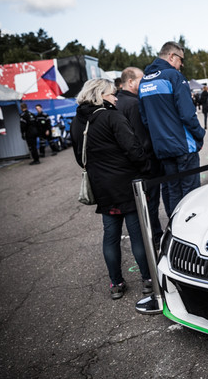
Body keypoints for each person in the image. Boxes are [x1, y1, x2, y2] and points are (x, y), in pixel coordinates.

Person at [70, 78, 152, 300]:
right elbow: (133, 149)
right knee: (137, 236)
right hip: (126, 185)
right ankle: (148, 280)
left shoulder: (77, 122)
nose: (116, 97)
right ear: (100, 95)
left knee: (111, 236)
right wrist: (146, 168)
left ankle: (116, 283)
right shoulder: (112, 116)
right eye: (111, 93)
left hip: (102, 188)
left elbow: (80, 158)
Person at [139, 41, 205, 216]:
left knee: (173, 191)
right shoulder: (173, 76)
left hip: (162, 148)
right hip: (183, 146)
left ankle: (175, 228)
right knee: (191, 193)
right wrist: (200, 135)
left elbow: (145, 119)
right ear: (171, 56)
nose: (181, 64)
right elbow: (187, 114)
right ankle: (190, 232)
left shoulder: (144, 81)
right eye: (181, 60)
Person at [116, 67, 163, 244]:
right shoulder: (134, 104)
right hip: (144, 165)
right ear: (130, 82)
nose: (144, 83)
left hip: (127, 166)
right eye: (141, 79)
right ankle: (155, 239)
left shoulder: (117, 102)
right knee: (149, 206)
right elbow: (141, 139)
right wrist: (149, 165)